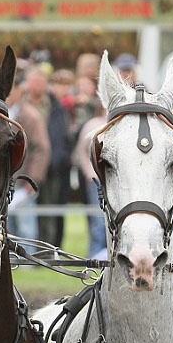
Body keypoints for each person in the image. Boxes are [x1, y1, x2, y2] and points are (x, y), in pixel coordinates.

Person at [23, 65, 72, 247]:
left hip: (52, 168)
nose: (37, 86)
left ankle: (48, 250)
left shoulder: (55, 106)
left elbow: (64, 137)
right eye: (34, 81)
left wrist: (59, 159)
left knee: (50, 212)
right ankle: (27, 251)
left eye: (41, 82)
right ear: (27, 84)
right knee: (25, 214)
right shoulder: (21, 106)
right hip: (25, 168)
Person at [5, 69, 51, 249]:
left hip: (23, 181)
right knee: (5, 226)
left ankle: (28, 261)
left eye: (11, 90)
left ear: (18, 91)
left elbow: (41, 149)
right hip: (4, 182)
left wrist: (33, 179)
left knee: (26, 226)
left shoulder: (30, 116)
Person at [74, 105, 108, 259]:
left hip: (114, 182)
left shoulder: (121, 123)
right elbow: (81, 151)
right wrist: (89, 172)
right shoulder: (92, 125)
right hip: (96, 181)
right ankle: (95, 254)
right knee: (98, 219)